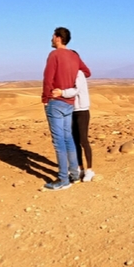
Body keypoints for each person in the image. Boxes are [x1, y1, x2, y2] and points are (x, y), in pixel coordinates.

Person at [41, 27, 91, 191]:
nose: (51, 39)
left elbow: (48, 78)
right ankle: (75, 175)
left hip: (56, 101)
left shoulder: (54, 55)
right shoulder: (74, 56)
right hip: (69, 103)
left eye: (52, 36)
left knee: (59, 141)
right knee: (68, 138)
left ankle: (63, 179)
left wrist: (46, 98)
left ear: (57, 38)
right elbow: (86, 72)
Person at [53, 52, 94, 182]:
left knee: (83, 140)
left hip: (81, 110)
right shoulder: (68, 74)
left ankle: (90, 170)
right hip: (71, 110)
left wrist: (61, 92)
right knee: (74, 141)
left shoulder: (79, 74)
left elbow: (75, 90)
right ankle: (80, 168)